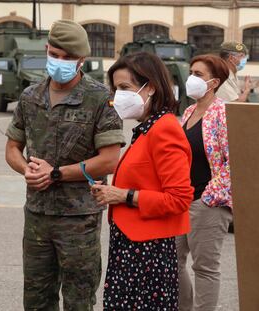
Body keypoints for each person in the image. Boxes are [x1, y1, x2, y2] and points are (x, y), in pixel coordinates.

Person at [5, 19, 125, 310]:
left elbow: (109, 160)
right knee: (36, 299)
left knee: (78, 300)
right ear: (46, 50)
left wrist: (56, 174)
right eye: (55, 55)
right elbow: (12, 149)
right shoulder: (30, 96)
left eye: (68, 58)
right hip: (37, 215)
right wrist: (27, 170)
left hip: (79, 219)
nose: (60, 62)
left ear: (82, 60)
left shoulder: (99, 99)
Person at [91, 51, 194, 310]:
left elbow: (179, 198)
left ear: (152, 88)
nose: (118, 97)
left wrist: (124, 195)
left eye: (125, 88)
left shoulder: (165, 129)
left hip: (147, 254)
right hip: (132, 247)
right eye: (115, 89)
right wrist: (113, 192)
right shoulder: (148, 128)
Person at [176, 54, 232, 311]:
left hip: (208, 203)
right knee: (173, 261)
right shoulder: (189, 111)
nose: (191, 78)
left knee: (205, 268)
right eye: (191, 72)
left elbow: (233, 161)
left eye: (198, 74)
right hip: (181, 199)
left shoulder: (223, 113)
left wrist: (211, 197)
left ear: (214, 82)